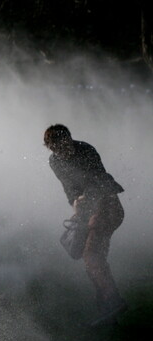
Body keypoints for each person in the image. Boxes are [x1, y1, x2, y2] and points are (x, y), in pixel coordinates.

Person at [44, 124, 127, 326]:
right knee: (91, 259)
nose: (63, 152)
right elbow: (69, 189)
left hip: (108, 206)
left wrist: (85, 202)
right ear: (51, 148)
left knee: (92, 255)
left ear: (70, 138)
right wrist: (75, 204)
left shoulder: (86, 150)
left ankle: (113, 302)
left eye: (65, 145)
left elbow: (99, 180)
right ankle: (108, 307)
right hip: (88, 210)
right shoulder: (55, 161)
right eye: (57, 149)